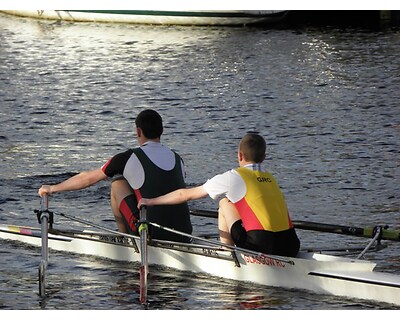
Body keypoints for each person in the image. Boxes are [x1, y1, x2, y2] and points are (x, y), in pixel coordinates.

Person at [38, 109, 193, 243]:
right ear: (162, 130)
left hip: (152, 233)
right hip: (184, 233)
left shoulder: (127, 157)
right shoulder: (178, 159)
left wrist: (52, 188)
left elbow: (87, 179)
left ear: (138, 132)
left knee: (117, 184)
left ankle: (126, 239)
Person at [139, 133, 300, 257]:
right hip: (291, 245)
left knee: (224, 202)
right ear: (264, 157)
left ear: (239, 155)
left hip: (260, 246)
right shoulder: (271, 178)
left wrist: (150, 201)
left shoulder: (233, 177)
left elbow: (185, 195)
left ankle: (226, 252)